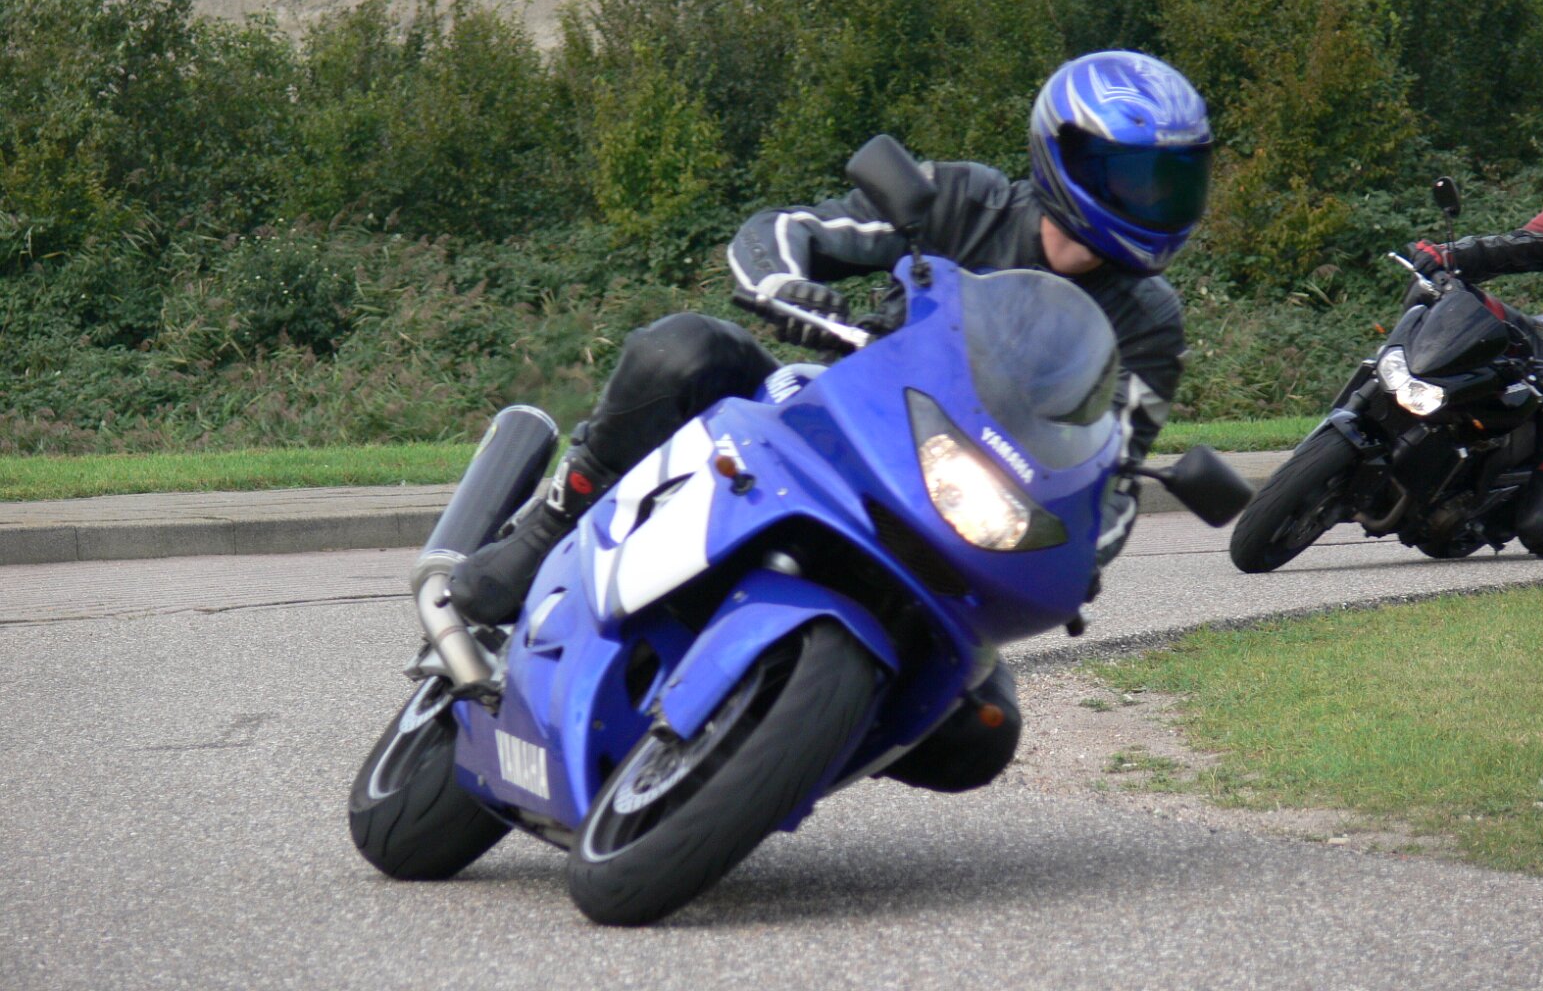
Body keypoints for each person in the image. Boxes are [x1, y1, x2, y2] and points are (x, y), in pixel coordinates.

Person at [450, 49, 1214, 789]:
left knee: (980, 738)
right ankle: (551, 527)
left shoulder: (1149, 322)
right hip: (832, 422)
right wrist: (786, 285)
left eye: (1172, 182)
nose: (1152, 199)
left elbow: (1114, 474)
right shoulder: (962, 202)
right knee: (678, 352)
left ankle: (783, 746)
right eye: (1134, 176)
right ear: (1066, 156)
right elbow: (792, 229)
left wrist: (1082, 552)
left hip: (957, 511)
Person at [1408, 123, 1543, 558]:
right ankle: (1397, 376)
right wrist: (1446, 254)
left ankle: (1492, 512)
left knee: (1540, 531)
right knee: (1445, 293)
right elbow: (1504, 248)